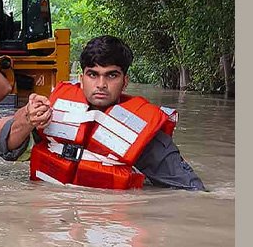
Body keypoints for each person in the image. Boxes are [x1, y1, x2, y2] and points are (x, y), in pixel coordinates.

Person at [28, 35, 206, 190]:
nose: (101, 84)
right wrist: (27, 118)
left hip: (109, 222)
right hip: (54, 217)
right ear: (81, 79)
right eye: (93, 74)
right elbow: (7, 147)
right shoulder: (47, 111)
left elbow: (190, 189)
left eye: (111, 75)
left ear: (125, 81)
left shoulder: (146, 136)